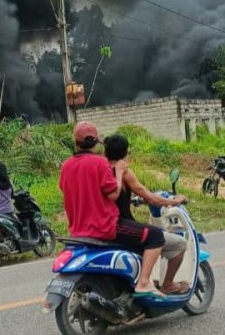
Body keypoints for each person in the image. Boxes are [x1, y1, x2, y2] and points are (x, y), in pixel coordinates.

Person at [59, 122, 165, 298]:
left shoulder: (66, 166)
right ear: (96, 142)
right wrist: (119, 172)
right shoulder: (101, 163)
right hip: (105, 227)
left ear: (76, 142)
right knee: (156, 235)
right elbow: (114, 193)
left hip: (77, 231)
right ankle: (144, 283)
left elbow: (67, 190)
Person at [103, 135, 190, 294]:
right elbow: (150, 197)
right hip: (119, 225)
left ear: (104, 152)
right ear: (126, 152)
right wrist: (173, 201)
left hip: (102, 225)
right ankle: (165, 284)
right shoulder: (124, 172)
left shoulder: (100, 170)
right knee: (178, 243)